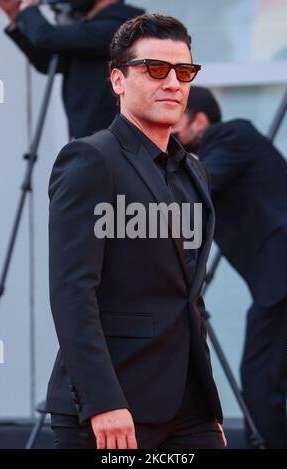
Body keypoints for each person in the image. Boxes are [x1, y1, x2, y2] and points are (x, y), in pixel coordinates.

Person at [45, 14, 226, 449]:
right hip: (113, 408)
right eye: (155, 69)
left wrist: (208, 406)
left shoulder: (194, 172)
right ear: (117, 81)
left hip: (189, 408)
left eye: (184, 72)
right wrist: (102, 401)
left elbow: (188, 296)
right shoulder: (90, 160)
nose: (173, 83)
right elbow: (73, 291)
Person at [174, 85, 287, 449]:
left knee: (260, 380)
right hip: (281, 284)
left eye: (175, 124)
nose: (170, 135)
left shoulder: (232, 135)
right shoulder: (215, 156)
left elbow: (198, 188)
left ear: (200, 121)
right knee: (261, 380)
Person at [0, 0, 144, 138]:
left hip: (114, 139)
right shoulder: (89, 28)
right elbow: (47, 63)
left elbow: (46, 37)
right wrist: (15, 15)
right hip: (92, 138)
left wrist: (28, 9)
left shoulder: (122, 26)